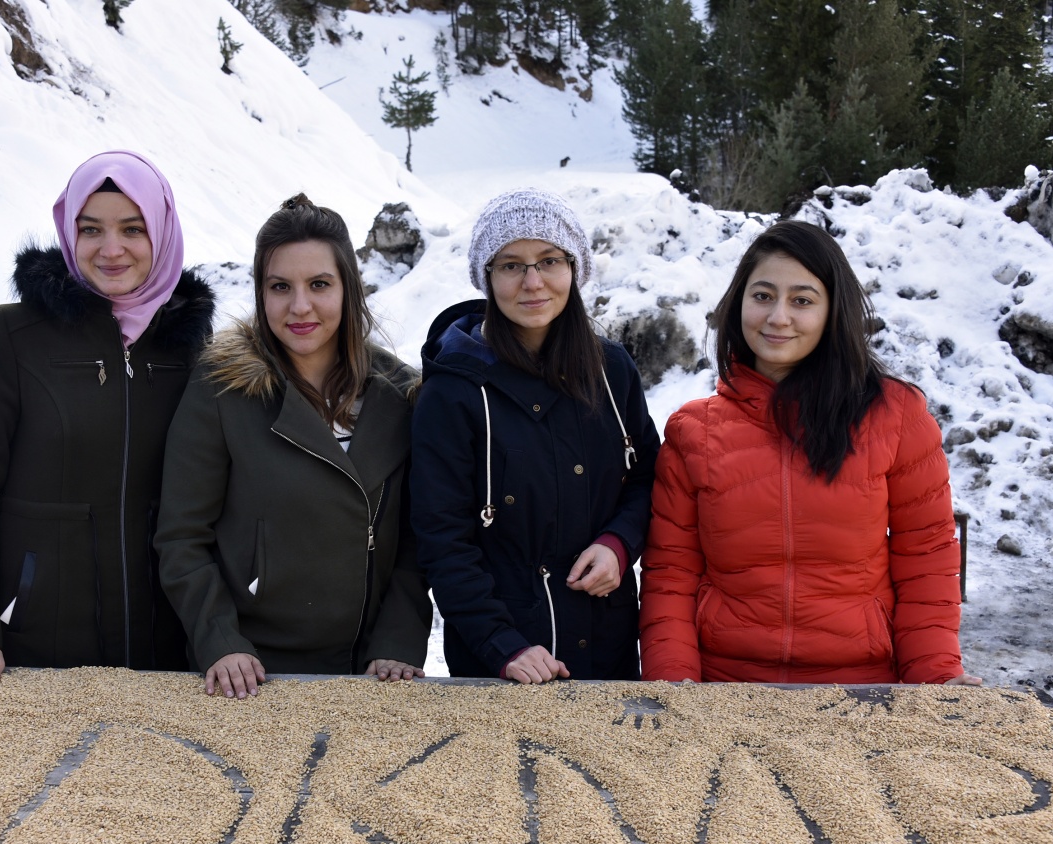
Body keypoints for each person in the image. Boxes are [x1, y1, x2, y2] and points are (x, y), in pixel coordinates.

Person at [640, 219, 981, 685]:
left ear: (832, 311)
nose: (778, 316)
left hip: (864, 688)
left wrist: (935, 677)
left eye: (802, 300)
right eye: (762, 296)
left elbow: (926, 557)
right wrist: (673, 681)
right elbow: (671, 571)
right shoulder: (693, 430)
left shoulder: (897, 416)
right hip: (724, 690)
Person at [0, 150, 216, 698]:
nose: (112, 249)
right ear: (69, 233)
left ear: (161, 232)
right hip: (37, 649)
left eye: (132, 229)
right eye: (92, 230)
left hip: (172, 653)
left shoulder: (192, 348)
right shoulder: (12, 337)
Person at [155, 194, 430, 698]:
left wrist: (399, 640)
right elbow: (181, 537)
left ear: (349, 288)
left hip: (371, 669)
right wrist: (221, 641)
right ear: (261, 294)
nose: (299, 306)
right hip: (250, 673)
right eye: (280, 287)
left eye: (319, 285)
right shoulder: (222, 391)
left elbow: (418, 540)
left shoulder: (402, 396)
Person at [411, 189, 660, 683]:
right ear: (487, 276)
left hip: (606, 648)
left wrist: (619, 543)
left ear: (575, 268)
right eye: (510, 265)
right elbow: (443, 541)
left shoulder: (612, 371)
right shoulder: (453, 393)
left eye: (549, 260)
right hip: (498, 667)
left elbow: (650, 479)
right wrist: (502, 646)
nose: (532, 282)